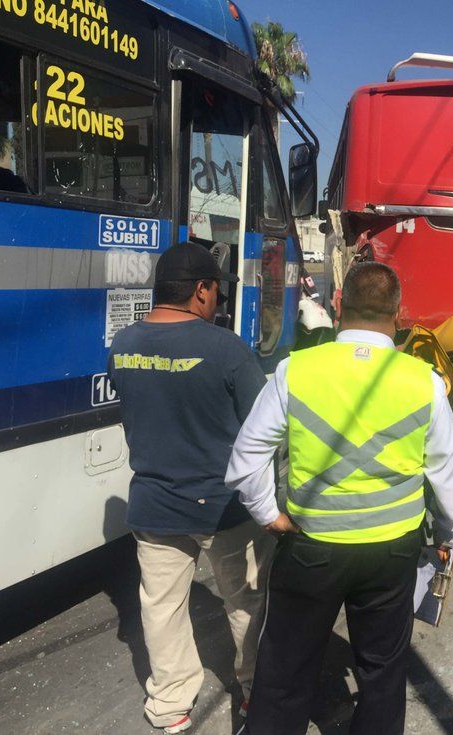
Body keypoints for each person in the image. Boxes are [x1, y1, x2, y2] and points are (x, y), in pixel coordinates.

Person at [226, 262, 453, 735]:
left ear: (338, 306)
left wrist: (269, 515)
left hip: (311, 546)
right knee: (382, 673)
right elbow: (447, 472)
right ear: (399, 314)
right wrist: (452, 533)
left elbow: (246, 458)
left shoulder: (295, 370)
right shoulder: (424, 381)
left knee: (285, 673)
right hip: (391, 552)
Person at [107, 242, 276, 735]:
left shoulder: (123, 343)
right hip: (225, 507)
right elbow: (263, 426)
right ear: (201, 290)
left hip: (154, 504)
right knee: (244, 602)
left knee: (161, 609)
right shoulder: (226, 348)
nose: (218, 301)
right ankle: (253, 692)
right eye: (217, 291)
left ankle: (169, 704)